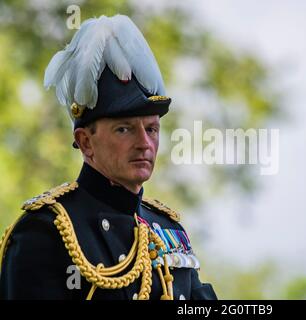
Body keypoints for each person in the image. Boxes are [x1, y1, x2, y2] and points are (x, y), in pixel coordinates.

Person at [0, 14, 217, 300]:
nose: (145, 143)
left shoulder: (168, 230)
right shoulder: (43, 232)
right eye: (124, 129)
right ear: (86, 142)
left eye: (151, 128)